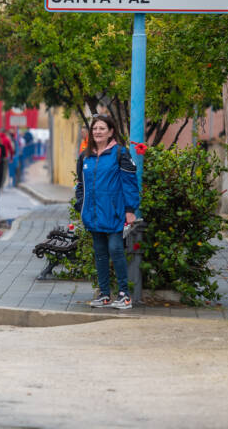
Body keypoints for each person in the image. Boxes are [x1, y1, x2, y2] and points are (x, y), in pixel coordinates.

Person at [74, 114, 139, 310]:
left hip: (114, 212)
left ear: (111, 131)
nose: (97, 132)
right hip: (93, 213)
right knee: (100, 253)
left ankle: (124, 295)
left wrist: (130, 209)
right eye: (95, 128)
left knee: (116, 250)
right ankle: (104, 295)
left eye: (102, 128)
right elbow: (80, 185)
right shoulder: (85, 156)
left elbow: (130, 184)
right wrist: (80, 204)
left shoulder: (120, 153)